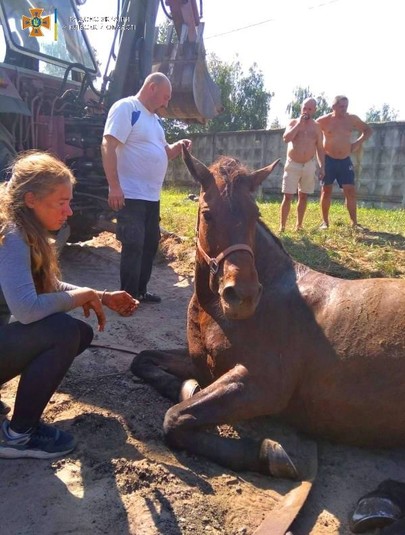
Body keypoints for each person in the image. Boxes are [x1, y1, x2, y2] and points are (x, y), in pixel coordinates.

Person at [0, 151, 138, 460]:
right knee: (61, 332)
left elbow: (49, 288)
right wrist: (82, 296)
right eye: (61, 202)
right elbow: (26, 309)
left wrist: (100, 296)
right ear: (31, 200)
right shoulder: (11, 235)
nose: (70, 211)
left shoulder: (23, 230)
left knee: (78, 333)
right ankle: (18, 436)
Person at [101, 72, 192, 303]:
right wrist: (114, 186)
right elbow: (108, 145)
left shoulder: (155, 121)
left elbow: (164, 152)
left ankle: (140, 291)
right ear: (152, 87)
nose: (166, 103)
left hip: (152, 197)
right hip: (130, 194)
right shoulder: (127, 108)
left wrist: (178, 145)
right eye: (165, 97)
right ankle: (128, 296)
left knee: (150, 244)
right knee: (133, 244)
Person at [316, 95, 372, 229]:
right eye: (341, 106)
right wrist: (321, 165)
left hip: (344, 161)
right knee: (326, 190)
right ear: (333, 107)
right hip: (328, 160)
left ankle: (354, 223)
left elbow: (368, 130)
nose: (344, 109)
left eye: (346, 106)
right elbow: (314, 138)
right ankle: (325, 222)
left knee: (350, 191)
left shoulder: (352, 119)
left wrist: (357, 143)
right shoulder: (323, 121)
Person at [279, 98, 325, 232]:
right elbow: (286, 138)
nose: (306, 111)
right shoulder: (293, 123)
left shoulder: (317, 127)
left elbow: (320, 148)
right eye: (304, 108)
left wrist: (322, 167)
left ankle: (299, 225)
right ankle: (282, 226)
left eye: (310, 109)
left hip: (309, 165)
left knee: (303, 195)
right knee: (287, 196)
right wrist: (299, 124)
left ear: (314, 110)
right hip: (292, 164)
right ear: (301, 108)